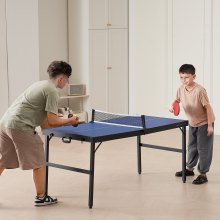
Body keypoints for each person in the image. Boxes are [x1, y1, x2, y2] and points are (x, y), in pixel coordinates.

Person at [0, 60, 79, 206]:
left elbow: (45, 119)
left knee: (3, 161)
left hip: (5, 124)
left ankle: (41, 195)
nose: (67, 83)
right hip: (20, 126)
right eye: (67, 79)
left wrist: (60, 119)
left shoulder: (41, 84)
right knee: (39, 162)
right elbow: (52, 121)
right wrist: (71, 120)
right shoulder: (53, 91)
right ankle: (41, 197)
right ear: (61, 78)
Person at [170, 64, 215, 185]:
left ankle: (203, 174)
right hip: (192, 122)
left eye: (187, 77)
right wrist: (172, 105)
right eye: (181, 77)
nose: (184, 80)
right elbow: (177, 100)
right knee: (191, 147)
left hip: (205, 122)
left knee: (203, 149)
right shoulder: (180, 89)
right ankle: (189, 169)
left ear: (194, 77)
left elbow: (208, 108)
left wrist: (210, 125)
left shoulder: (200, 90)